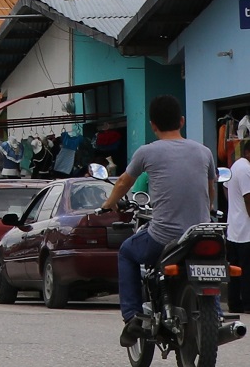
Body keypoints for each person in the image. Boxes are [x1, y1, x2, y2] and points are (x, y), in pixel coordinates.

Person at [100, 95, 216, 347]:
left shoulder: (147, 152)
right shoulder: (205, 152)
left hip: (164, 236)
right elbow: (210, 194)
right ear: (182, 121)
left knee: (127, 252)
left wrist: (108, 204)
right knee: (210, 267)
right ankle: (214, 315)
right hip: (201, 234)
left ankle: (131, 317)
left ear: (153, 125)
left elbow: (123, 182)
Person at [227, 151, 250, 313]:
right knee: (247, 270)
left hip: (234, 228)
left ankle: (234, 303)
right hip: (246, 231)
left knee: (234, 270)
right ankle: (248, 305)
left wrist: (234, 209)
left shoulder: (235, 166)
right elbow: (248, 198)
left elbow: (225, 188)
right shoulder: (246, 170)